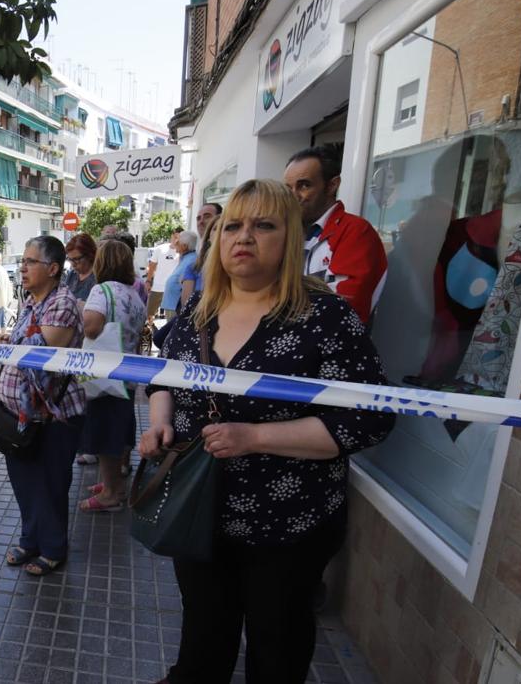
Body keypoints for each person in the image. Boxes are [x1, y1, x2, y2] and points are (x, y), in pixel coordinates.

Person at [139, 180, 395, 683]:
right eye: (232, 225)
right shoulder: (197, 313)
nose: (244, 237)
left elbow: (369, 418)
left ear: (291, 237)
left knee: (277, 651)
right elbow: (161, 377)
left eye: (264, 225)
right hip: (198, 513)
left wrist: (255, 439)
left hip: (289, 525)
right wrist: (159, 423)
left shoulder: (326, 318)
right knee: (202, 641)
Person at [0, 235, 85, 575]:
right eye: (23, 261)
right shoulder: (32, 302)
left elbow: (36, 355)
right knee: (24, 481)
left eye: (30, 261)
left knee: (49, 484)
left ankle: (53, 548)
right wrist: (9, 340)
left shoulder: (63, 302)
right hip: (21, 415)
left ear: (53, 268)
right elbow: (23, 342)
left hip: (54, 415)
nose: (23, 267)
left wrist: (6, 340)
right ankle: (30, 539)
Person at [77, 240, 146, 513]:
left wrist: (82, 307)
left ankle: (110, 494)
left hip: (104, 374)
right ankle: (114, 483)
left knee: (105, 435)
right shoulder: (134, 294)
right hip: (127, 374)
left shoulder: (101, 290)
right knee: (119, 430)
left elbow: (92, 328)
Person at [284, 145, 387, 323]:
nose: (294, 196)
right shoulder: (286, 232)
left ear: (332, 185)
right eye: (288, 188)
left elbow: (342, 307)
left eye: (304, 185)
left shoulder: (355, 231)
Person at [179, 203, 221, 309]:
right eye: (198, 218)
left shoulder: (235, 264)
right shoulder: (194, 266)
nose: (201, 221)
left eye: (207, 216)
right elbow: (187, 309)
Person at [162, 230, 199, 319]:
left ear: (185, 246)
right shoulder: (186, 258)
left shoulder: (191, 261)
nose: (175, 242)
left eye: (178, 241)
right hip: (172, 305)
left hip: (176, 308)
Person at [145, 231, 177, 319]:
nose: (176, 240)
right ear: (171, 236)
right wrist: (148, 281)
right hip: (157, 287)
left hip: (172, 289)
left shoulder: (182, 251)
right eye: (175, 237)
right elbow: (152, 266)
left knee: (171, 317)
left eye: (179, 237)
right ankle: (150, 330)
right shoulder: (160, 249)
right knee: (149, 313)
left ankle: (167, 332)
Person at [62, 233, 97, 302]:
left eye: (77, 259)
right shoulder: (72, 274)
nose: (73, 264)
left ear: (89, 255)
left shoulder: (97, 277)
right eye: (70, 259)